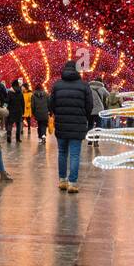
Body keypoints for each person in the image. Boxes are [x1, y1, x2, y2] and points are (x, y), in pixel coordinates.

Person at [50, 60, 94, 193]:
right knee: (75, 154)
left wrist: (58, 113)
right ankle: (72, 183)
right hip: (78, 124)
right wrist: (84, 117)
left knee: (62, 152)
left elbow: (51, 104)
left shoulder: (57, 85)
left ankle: (62, 181)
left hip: (61, 124)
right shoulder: (84, 86)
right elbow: (89, 105)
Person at [5, 78, 25, 143]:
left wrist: (5, 107)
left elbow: (7, 101)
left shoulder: (10, 92)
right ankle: (18, 138)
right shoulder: (20, 92)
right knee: (18, 125)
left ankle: (8, 134)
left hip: (11, 110)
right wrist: (23, 111)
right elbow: (23, 102)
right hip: (19, 111)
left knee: (10, 124)